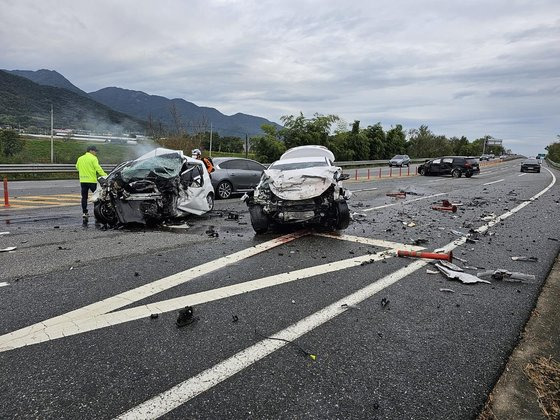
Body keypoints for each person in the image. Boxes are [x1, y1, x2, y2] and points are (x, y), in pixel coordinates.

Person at [75, 145, 107, 220]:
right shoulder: (93, 158)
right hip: (92, 181)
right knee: (97, 197)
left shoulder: (80, 158)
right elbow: (98, 168)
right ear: (91, 151)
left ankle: (84, 212)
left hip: (83, 180)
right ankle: (97, 213)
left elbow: (77, 167)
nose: (96, 153)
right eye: (95, 151)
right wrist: (105, 175)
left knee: (84, 197)